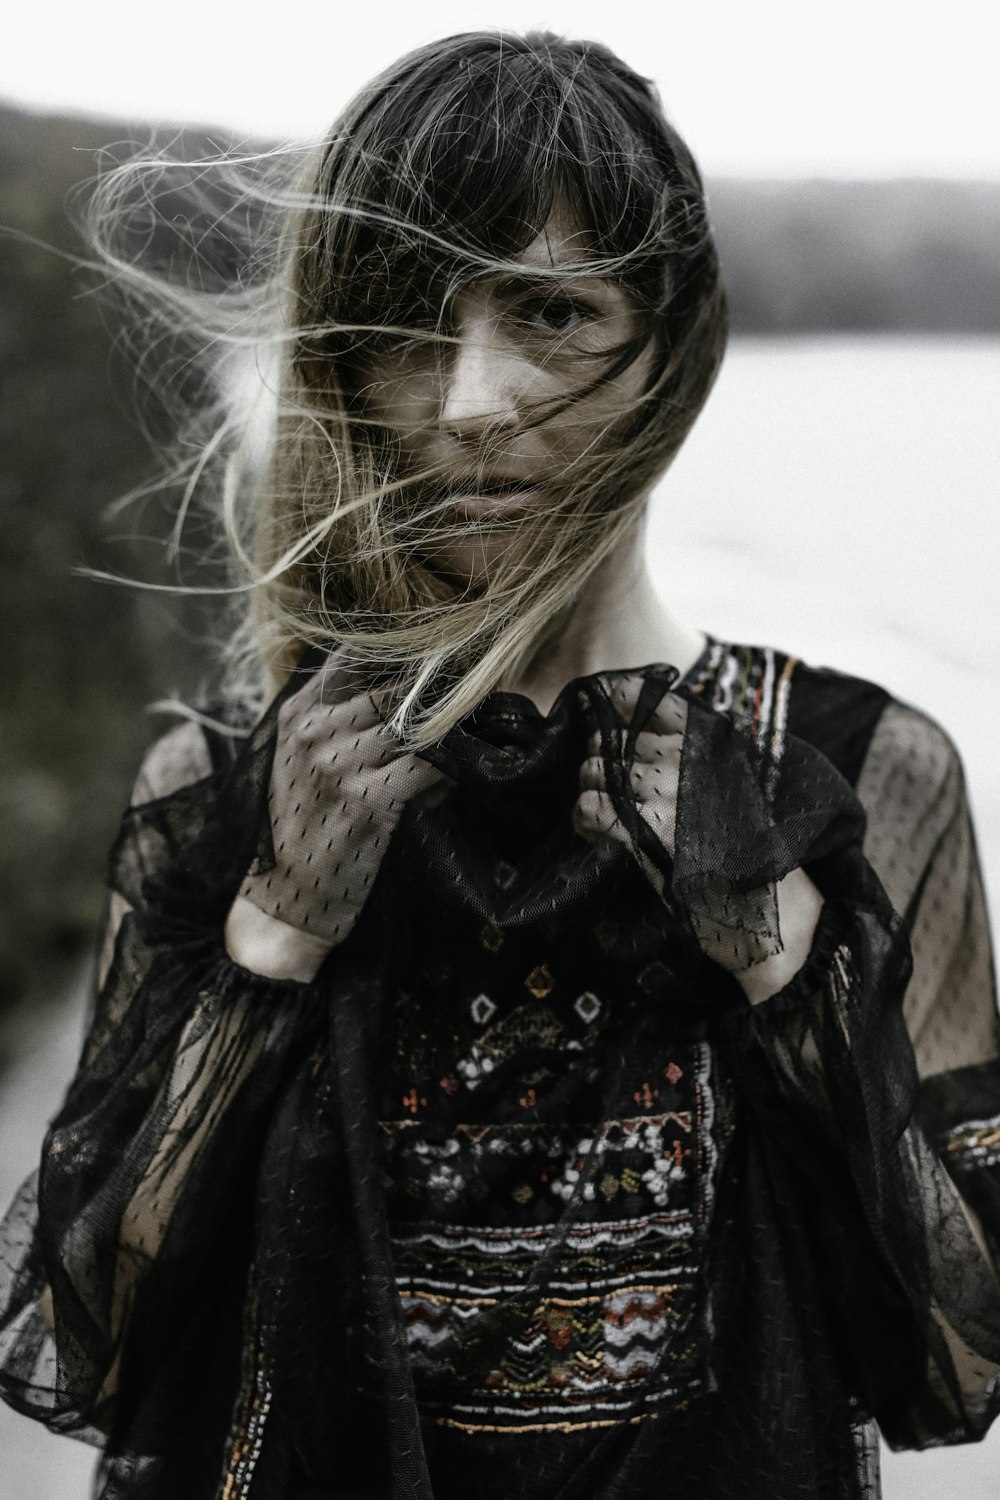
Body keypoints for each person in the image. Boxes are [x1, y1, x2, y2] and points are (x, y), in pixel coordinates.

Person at [1, 28, 998, 1500]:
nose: (470, 402)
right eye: (408, 326)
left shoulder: (850, 771)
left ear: (671, 350)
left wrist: (782, 949)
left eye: (550, 313)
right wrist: (278, 929)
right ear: (343, 371)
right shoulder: (229, 787)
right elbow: (93, 1343)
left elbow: (958, 1353)